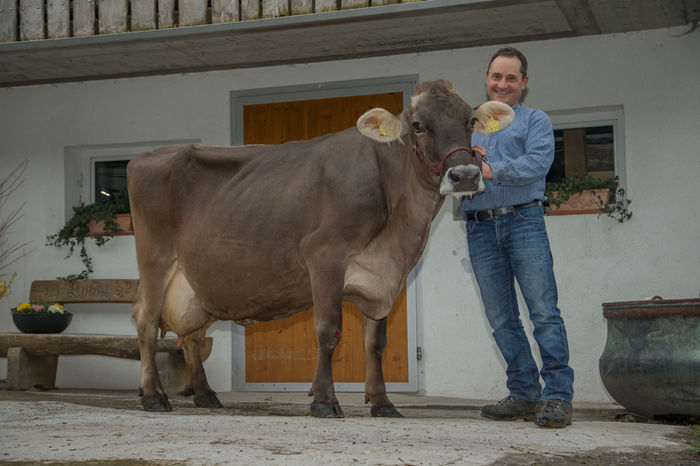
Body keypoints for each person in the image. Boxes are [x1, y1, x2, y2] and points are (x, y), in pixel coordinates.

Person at [461, 47, 574, 428]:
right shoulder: (469, 124)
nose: (503, 84)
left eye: (511, 78)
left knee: (543, 312)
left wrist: (490, 170)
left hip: (524, 220)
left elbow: (538, 163)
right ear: (487, 78)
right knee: (501, 318)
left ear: (524, 84)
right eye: (497, 76)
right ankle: (524, 392)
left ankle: (557, 396)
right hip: (478, 226)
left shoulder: (535, 120)